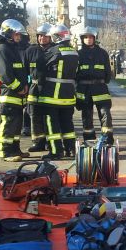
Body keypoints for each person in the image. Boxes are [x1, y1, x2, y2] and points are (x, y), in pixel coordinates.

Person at [36, 24, 79, 160]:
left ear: (56, 37)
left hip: (52, 96)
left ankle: (56, 151)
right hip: (68, 95)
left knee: (51, 124)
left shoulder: (53, 51)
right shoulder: (74, 52)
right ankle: (71, 149)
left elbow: (39, 69)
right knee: (67, 124)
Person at [0, 19, 29, 162]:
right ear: (8, 34)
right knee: (8, 124)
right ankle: (6, 152)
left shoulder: (13, 49)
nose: (19, 37)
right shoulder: (3, 50)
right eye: (16, 34)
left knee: (17, 124)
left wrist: (24, 86)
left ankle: (15, 149)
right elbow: (6, 74)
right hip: (9, 94)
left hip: (17, 96)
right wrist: (19, 87)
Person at [76, 26, 114, 145]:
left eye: (90, 37)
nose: (88, 39)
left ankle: (107, 139)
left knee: (105, 114)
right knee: (87, 116)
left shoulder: (102, 53)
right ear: (82, 39)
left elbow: (108, 71)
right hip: (84, 89)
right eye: (85, 37)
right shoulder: (78, 54)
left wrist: (103, 81)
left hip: (100, 88)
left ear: (94, 38)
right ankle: (89, 140)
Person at [24, 23, 54, 153]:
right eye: (40, 36)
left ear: (51, 37)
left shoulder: (55, 50)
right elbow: (25, 70)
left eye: (45, 36)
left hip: (50, 88)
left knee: (49, 116)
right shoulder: (30, 51)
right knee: (34, 115)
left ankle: (50, 142)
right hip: (34, 88)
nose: (42, 38)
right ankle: (38, 142)